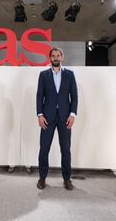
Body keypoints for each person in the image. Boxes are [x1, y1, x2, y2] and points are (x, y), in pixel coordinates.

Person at [36, 47, 78, 190]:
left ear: (62, 57)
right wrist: (40, 115)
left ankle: (67, 179)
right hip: (47, 117)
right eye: (53, 56)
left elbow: (74, 96)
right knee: (44, 149)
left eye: (58, 55)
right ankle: (42, 178)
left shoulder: (70, 75)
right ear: (50, 58)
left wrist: (73, 114)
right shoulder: (43, 75)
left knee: (66, 150)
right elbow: (39, 96)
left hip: (65, 118)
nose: (55, 58)